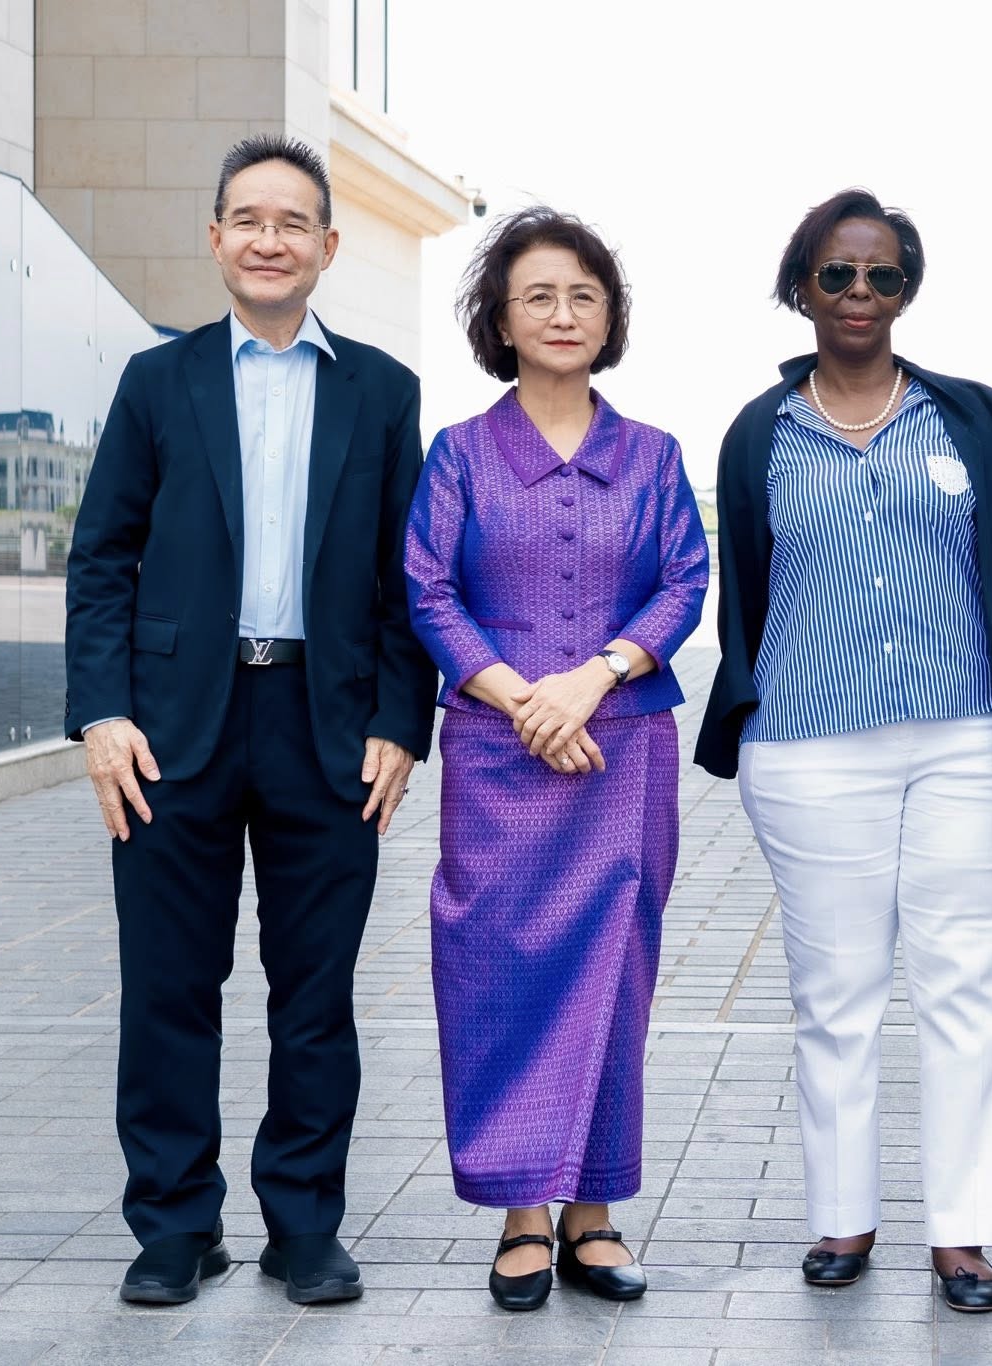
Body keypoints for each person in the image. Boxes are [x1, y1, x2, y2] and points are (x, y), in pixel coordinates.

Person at [64, 135, 434, 1306]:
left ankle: (303, 1225)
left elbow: (407, 577)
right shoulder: (156, 381)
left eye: (292, 223)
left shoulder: (381, 391)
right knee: (167, 987)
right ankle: (175, 1226)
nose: (269, 240)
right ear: (216, 237)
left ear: (328, 245)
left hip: (327, 727)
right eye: (249, 220)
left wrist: (400, 719)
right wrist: (101, 713)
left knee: (313, 996)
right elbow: (101, 559)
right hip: (170, 730)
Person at [693, 188, 992, 1314]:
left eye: (882, 274)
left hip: (966, 745)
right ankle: (842, 1218)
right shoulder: (760, 432)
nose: (859, 293)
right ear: (800, 288)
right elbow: (746, 583)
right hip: (808, 750)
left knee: (969, 993)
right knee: (836, 996)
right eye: (836, 274)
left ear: (907, 290)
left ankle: (961, 1234)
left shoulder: (977, 419)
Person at [404, 207, 707, 1311]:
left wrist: (596, 676)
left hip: (622, 751)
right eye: (538, 295)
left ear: (610, 317)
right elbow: (427, 588)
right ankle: (521, 1213)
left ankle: (594, 1213)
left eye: (584, 295)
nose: (563, 313)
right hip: (497, 756)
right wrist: (519, 696)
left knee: (614, 976)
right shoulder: (460, 455)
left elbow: (685, 580)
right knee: (494, 971)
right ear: (500, 319)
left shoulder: (654, 456)